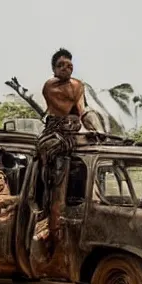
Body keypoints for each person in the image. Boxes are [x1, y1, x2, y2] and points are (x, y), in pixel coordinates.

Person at [35, 48, 87, 247]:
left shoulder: (78, 85)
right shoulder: (49, 87)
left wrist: (91, 126)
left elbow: (81, 111)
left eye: (70, 65)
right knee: (53, 170)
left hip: (73, 130)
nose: (67, 69)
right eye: (61, 65)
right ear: (54, 69)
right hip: (55, 132)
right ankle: (48, 219)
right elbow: (65, 108)